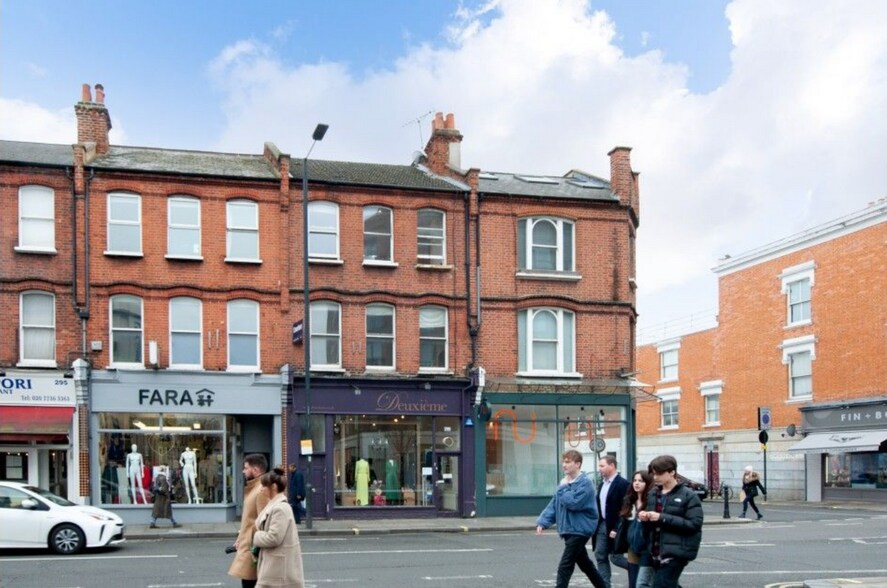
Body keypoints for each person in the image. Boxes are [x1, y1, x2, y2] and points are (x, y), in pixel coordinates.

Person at [536, 450, 606, 588]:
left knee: (565, 565)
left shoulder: (585, 483)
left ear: (578, 464)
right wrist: (543, 522)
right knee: (586, 565)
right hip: (569, 529)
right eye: (564, 462)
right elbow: (555, 504)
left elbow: (574, 503)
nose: (564, 465)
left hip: (580, 529)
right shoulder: (564, 483)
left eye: (568, 462)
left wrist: (563, 488)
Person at [638, 455, 704, 588]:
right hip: (655, 551)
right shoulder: (653, 493)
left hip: (676, 553)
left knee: (661, 584)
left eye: (659, 473)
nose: (655, 477)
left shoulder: (688, 495)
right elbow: (650, 525)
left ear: (672, 472)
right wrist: (645, 517)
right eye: (654, 474)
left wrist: (662, 517)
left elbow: (694, 524)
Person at [252, 466, 305, 588]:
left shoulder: (280, 508)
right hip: (274, 566)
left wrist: (256, 536)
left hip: (278, 571)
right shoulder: (274, 504)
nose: (261, 489)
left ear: (274, 487)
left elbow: (274, 538)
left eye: (264, 486)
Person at [229, 454, 270, 588]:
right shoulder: (255, 488)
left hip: (253, 550)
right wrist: (240, 537)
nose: (243, 471)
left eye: (246, 468)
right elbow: (250, 519)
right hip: (248, 546)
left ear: (256, 470)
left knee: (250, 583)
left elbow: (263, 523)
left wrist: (253, 545)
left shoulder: (261, 490)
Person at [594, 455, 630, 587]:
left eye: (602, 466)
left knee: (616, 558)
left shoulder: (623, 484)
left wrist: (617, 527)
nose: (599, 469)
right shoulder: (602, 484)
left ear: (612, 466)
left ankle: (639, 569)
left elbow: (626, 508)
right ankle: (604, 585)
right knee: (600, 554)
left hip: (616, 526)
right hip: (602, 524)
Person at [618, 470, 654, 588]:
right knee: (633, 582)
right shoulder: (629, 500)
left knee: (643, 583)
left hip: (647, 548)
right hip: (632, 547)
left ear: (648, 483)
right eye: (635, 480)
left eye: (641, 481)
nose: (637, 483)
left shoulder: (651, 501)